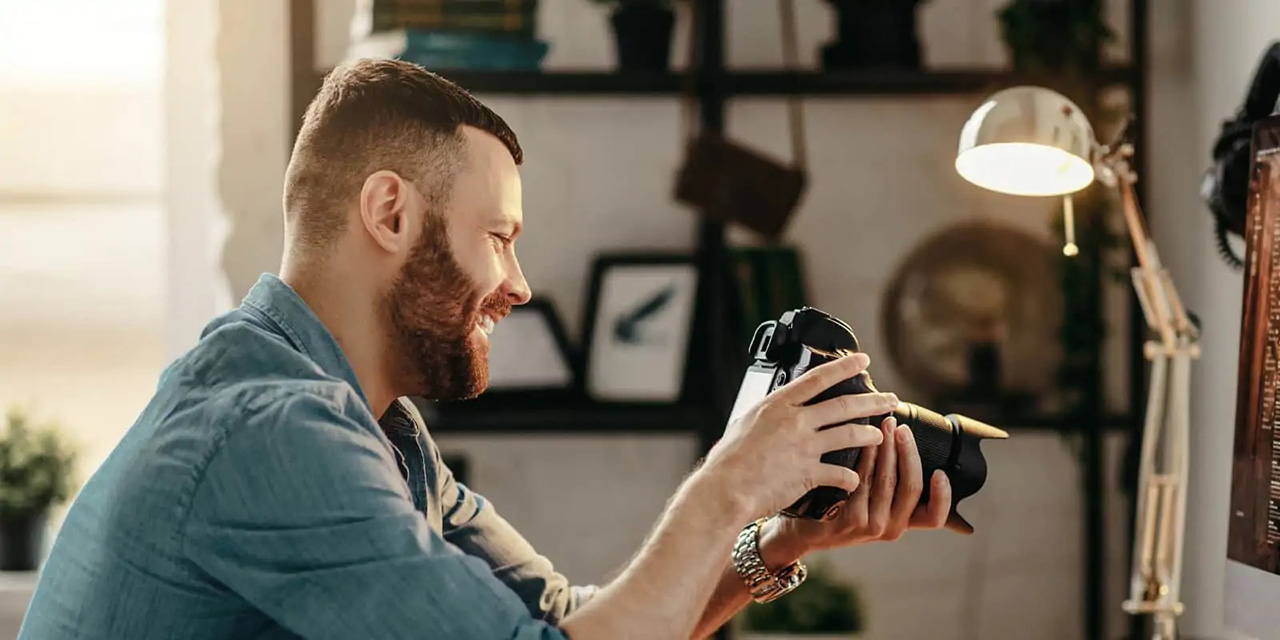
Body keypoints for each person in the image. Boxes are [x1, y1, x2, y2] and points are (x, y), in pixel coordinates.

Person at [19, 58, 958, 640]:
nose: (520, 284)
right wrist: (725, 486)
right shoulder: (271, 429)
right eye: (499, 236)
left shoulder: (378, 431)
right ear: (391, 212)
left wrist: (776, 538)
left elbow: (571, 622)